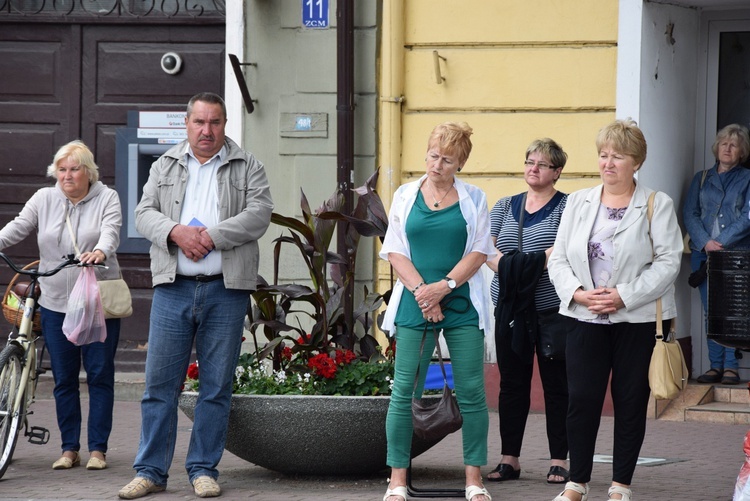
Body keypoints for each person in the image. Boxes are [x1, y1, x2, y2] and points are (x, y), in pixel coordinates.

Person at [118, 92, 273, 499]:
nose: (207, 130)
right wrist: (176, 232)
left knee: (216, 387)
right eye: (200, 122)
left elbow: (260, 214)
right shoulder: (165, 163)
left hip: (226, 290)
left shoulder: (247, 164)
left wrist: (212, 237)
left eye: (215, 122)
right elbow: (143, 212)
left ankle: (203, 469)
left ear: (224, 125)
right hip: (174, 288)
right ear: (186, 124)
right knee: (159, 386)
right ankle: (150, 471)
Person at [547, 119, 682, 501]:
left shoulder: (657, 203)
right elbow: (557, 258)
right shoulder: (578, 201)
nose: (608, 163)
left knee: (629, 401)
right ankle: (577, 481)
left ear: (636, 162)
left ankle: (621, 485)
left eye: (617, 157)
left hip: (635, 320)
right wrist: (576, 292)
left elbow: (669, 262)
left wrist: (624, 295)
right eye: (603, 155)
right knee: (582, 400)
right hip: (584, 316)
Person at [379, 122, 495, 501]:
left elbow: (479, 252)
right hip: (414, 302)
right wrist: (422, 293)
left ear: (460, 162)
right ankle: (397, 480)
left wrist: (442, 288)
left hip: (460, 301)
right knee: (403, 392)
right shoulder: (405, 194)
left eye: (447, 159)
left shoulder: (474, 197)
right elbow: (394, 249)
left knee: (472, 392)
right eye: (433, 155)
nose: (437, 165)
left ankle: (473, 479)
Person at [0, 140, 122, 471]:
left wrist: (100, 250)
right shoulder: (44, 198)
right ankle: (70, 448)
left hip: (97, 301)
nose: (67, 176)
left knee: (99, 374)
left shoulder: (107, 198)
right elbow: (18, 227)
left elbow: (111, 232)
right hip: (55, 300)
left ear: (89, 172)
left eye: (74, 169)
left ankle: (98, 449)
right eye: (61, 170)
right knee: (64, 378)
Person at [485, 138, 569, 484]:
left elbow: (562, 250)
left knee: (557, 385)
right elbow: (485, 248)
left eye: (542, 164)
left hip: (551, 310)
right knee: (512, 385)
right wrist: (519, 269)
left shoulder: (568, 207)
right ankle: (509, 458)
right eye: (529, 162)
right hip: (508, 310)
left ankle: (560, 459)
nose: (533, 169)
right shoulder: (505, 205)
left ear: (557, 172)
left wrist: (517, 266)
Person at [683, 123, 750, 385]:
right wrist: (705, 242)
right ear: (716, 147)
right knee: (711, 310)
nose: (727, 148)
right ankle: (715, 366)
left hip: (736, 255)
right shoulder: (701, 178)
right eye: (724, 143)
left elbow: (747, 217)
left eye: (734, 145)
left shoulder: (747, 178)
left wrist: (720, 242)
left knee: (732, 311)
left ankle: (732, 368)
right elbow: (690, 213)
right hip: (705, 256)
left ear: (741, 151)